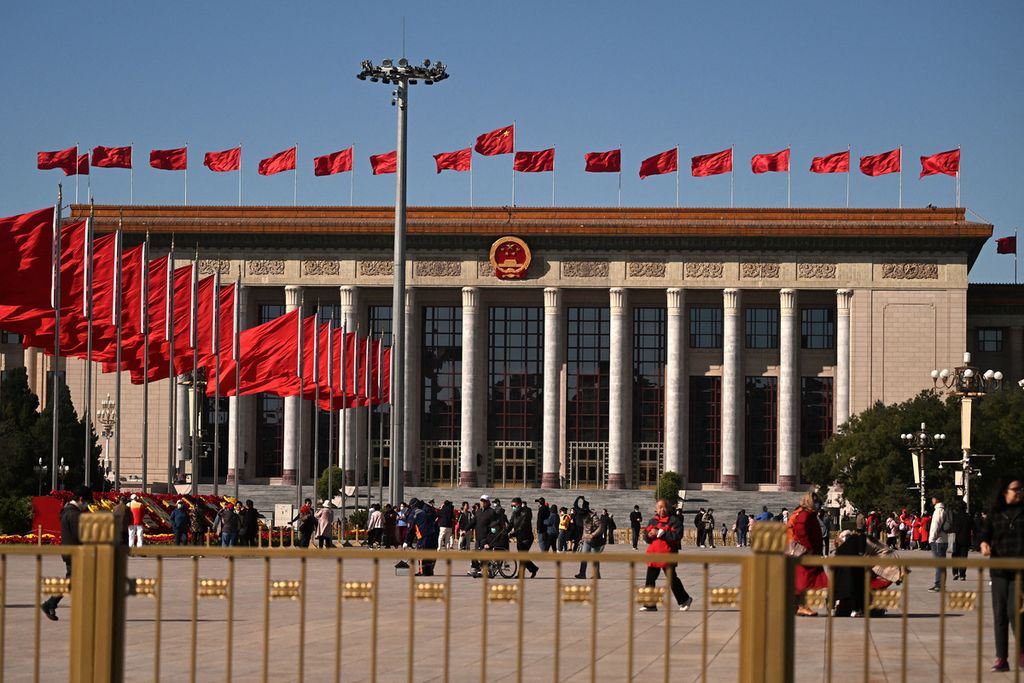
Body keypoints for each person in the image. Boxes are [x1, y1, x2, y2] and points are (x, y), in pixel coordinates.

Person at [980, 475, 1024, 672]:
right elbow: (984, 534)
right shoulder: (996, 513)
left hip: (1019, 570)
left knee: (1015, 612)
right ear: (1005, 491)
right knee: (999, 614)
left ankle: (1022, 650)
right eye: (1015, 489)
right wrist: (983, 543)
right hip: (998, 569)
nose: (1020, 492)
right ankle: (1001, 658)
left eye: (1021, 489)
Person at [41, 486, 92, 621]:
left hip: (70, 552)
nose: (87, 505)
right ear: (81, 499)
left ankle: (51, 604)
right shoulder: (74, 514)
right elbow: (81, 535)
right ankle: (51, 604)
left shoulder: (67, 511)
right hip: (76, 553)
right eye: (87, 501)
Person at [638, 498, 692, 612]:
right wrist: (649, 535)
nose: (662, 509)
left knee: (672, 579)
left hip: (668, 554)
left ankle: (685, 599)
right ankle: (650, 604)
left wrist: (660, 533)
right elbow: (646, 538)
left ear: (668, 508)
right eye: (659, 507)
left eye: (664, 507)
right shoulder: (652, 521)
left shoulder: (675, 521)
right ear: (656, 509)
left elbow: (677, 536)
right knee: (650, 580)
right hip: (654, 555)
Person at [786, 491, 828, 616]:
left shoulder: (808, 514)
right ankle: (802, 606)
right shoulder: (805, 514)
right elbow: (800, 530)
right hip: (806, 554)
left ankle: (796, 606)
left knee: (803, 581)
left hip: (810, 553)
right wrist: (808, 548)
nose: (817, 503)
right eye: (814, 500)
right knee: (805, 581)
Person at [508, 497, 539, 578]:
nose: (513, 507)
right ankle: (534, 568)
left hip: (527, 538)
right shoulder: (514, 513)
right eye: (512, 506)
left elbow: (522, 527)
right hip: (519, 538)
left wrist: (512, 534)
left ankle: (520, 574)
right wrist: (504, 532)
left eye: (514, 506)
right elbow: (510, 524)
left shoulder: (525, 513)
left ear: (519, 504)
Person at [469, 494, 498, 578]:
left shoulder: (491, 512)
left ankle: (485, 570)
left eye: (484, 501)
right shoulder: (478, 511)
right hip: (478, 538)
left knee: (484, 554)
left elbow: (494, 528)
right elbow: (473, 522)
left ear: (488, 502)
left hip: (487, 539)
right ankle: (476, 568)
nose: (482, 503)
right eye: (481, 501)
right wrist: (465, 529)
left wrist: (490, 542)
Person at [575, 504, 607, 580]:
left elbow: (601, 527)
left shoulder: (594, 517)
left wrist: (593, 534)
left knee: (594, 558)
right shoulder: (584, 517)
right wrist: (582, 538)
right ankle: (582, 573)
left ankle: (596, 574)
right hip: (586, 540)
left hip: (594, 541)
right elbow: (585, 529)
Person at [928, 495, 949, 592]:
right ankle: (941, 584)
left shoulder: (938, 511)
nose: (932, 500)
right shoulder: (944, 510)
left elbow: (935, 526)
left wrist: (931, 539)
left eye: (932, 498)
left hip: (938, 541)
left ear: (936, 499)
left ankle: (938, 585)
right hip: (943, 539)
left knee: (938, 564)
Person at [951, 500, 972, 581]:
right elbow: (973, 527)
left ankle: (955, 573)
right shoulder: (968, 517)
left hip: (956, 539)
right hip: (966, 540)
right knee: (963, 557)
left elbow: (952, 528)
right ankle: (962, 575)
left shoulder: (955, 517)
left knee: (955, 556)